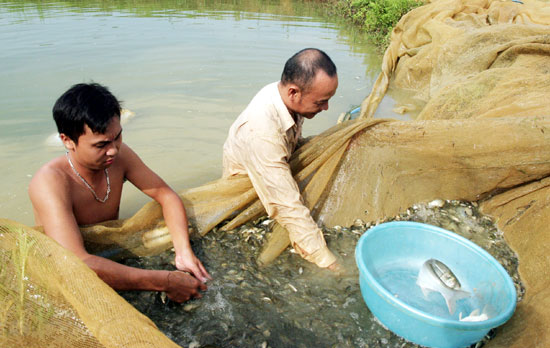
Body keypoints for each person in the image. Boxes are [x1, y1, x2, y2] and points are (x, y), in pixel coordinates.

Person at [29, 83, 211, 303]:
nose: (113, 149)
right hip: (70, 269)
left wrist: (183, 251)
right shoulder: (50, 182)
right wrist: (165, 280)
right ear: (67, 141)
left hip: (107, 254)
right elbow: (76, 262)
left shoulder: (119, 157)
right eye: (101, 145)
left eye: (118, 137)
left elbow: (166, 195)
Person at [222, 48, 340, 269]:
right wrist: (327, 261)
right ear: (294, 92)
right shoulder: (262, 132)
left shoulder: (284, 95)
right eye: (321, 102)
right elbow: (286, 205)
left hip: (272, 169)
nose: (326, 108)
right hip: (245, 198)